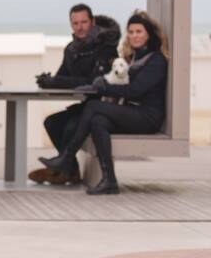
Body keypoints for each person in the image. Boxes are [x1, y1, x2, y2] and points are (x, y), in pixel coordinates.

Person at [36, 10, 169, 195]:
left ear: (149, 34)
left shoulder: (156, 60)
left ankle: (67, 156)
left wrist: (103, 87)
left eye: (139, 31)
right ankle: (109, 180)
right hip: (133, 112)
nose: (134, 36)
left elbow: (135, 91)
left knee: (93, 106)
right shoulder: (135, 58)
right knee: (98, 120)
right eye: (131, 32)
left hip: (148, 117)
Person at [29, 3, 121, 185]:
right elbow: (62, 78)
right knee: (51, 122)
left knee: (70, 126)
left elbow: (93, 82)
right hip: (84, 105)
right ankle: (70, 171)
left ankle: (63, 170)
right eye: (75, 23)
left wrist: (58, 81)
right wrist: (48, 81)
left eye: (84, 22)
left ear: (92, 22)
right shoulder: (71, 48)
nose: (80, 27)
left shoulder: (106, 47)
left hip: (103, 107)